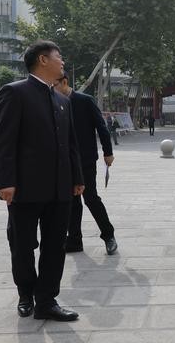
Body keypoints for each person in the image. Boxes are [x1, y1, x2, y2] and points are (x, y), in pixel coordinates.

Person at [0, 40, 84, 322]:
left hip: (60, 188)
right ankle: (25, 293)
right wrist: (5, 182)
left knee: (55, 246)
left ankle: (46, 300)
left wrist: (77, 178)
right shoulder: (15, 93)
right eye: (59, 56)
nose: (63, 62)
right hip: (25, 187)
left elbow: (71, 144)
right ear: (43, 60)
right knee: (22, 244)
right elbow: (3, 141)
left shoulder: (63, 101)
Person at [53, 74, 118, 255]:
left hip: (85, 160)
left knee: (90, 198)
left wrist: (108, 152)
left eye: (54, 84)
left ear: (65, 82)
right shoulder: (53, 102)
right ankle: (74, 240)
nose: (52, 88)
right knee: (71, 202)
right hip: (65, 161)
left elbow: (101, 127)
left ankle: (109, 235)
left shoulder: (85, 100)